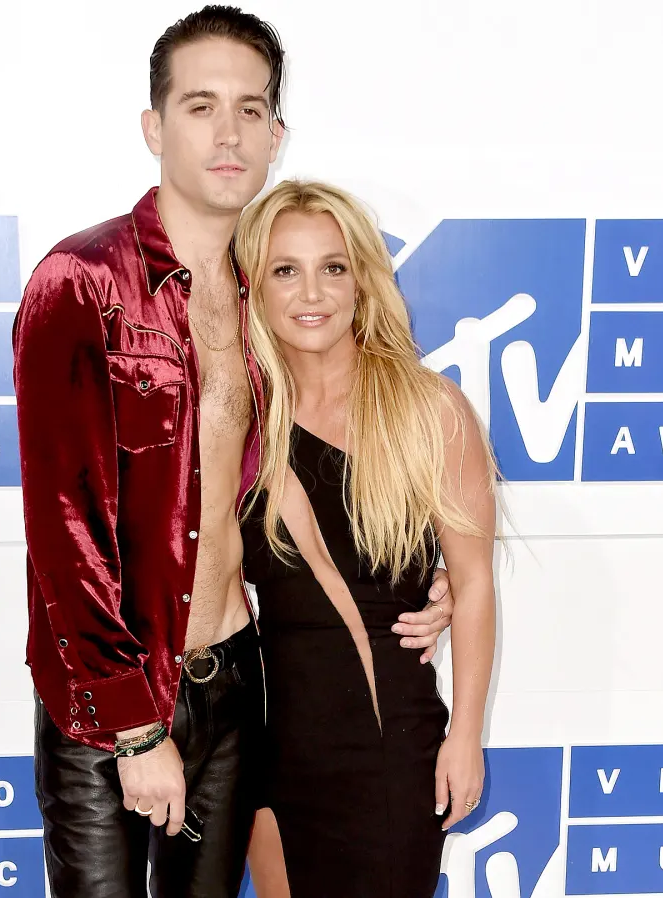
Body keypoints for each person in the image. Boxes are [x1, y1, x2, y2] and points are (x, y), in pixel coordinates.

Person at [12, 8, 456, 898]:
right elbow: (64, 527)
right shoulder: (83, 282)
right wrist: (139, 733)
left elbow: (346, 437)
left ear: (277, 135)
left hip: (237, 678)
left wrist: (426, 565)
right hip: (113, 697)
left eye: (251, 110)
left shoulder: (272, 293)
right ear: (154, 127)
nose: (227, 133)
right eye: (200, 106)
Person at [234, 179, 500, 898]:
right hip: (272, 741)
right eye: (285, 270)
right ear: (255, 287)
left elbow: (473, 581)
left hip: (391, 743)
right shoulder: (242, 423)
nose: (310, 291)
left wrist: (465, 735)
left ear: (361, 281)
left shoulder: (426, 408)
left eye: (333, 266)